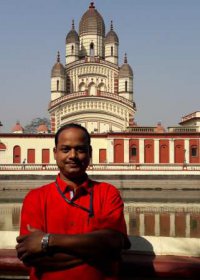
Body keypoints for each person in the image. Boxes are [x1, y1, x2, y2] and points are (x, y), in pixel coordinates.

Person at [16, 123, 131, 280]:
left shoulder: (107, 193)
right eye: (65, 149)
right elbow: (32, 257)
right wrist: (95, 250)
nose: (73, 156)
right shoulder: (36, 198)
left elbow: (114, 244)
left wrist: (48, 240)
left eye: (80, 149)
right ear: (55, 153)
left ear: (90, 153)